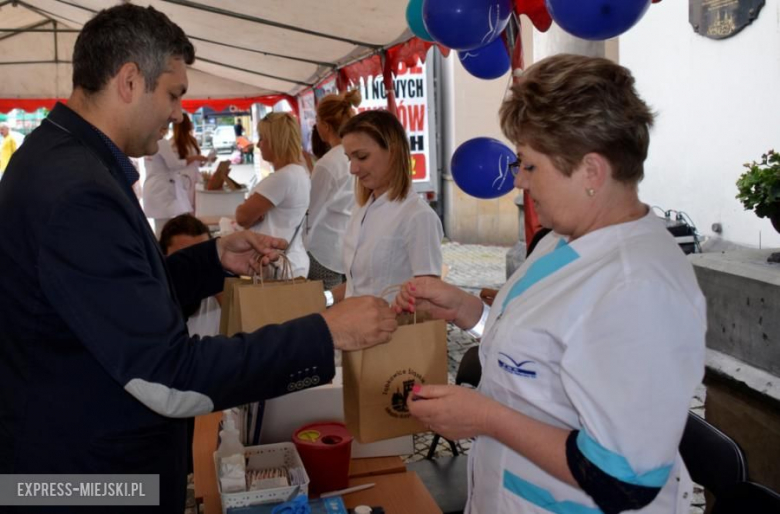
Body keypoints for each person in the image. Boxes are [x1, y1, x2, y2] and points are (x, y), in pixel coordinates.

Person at [0, 5, 396, 513]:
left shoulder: (64, 159)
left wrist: (209, 261)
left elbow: (108, 301)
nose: (177, 113)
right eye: (173, 94)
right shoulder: (77, 188)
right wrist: (325, 332)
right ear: (128, 81)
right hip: (82, 478)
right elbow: (166, 373)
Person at [395, 54, 706, 514]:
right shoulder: (564, 238)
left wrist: (482, 416)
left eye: (530, 165)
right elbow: (543, 356)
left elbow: (624, 480)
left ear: (591, 172)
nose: (518, 180)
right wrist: (470, 312)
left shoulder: (637, 287)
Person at [330, 109, 443, 304]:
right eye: (350, 158)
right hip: (355, 328)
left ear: (393, 151)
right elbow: (357, 284)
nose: (353, 169)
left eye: (362, 157)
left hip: (392, 332)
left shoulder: (417, 216)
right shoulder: (362, 208)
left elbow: (428, 298)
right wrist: (322, 299)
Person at [235, 112, 310, 278]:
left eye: (262, 138)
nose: (258, 144)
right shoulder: (298, 172)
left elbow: (242, 217)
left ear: (275, 140)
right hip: (289, 261)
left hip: (278, 265)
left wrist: (245, 208)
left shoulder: (283, 177)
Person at [304, 90, 361, 290]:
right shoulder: (357, 155)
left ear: (326, 126)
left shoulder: (328, 163)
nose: (315, 125)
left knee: (326, 312)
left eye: (317, 120)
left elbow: (311, 210)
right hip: (350, 247)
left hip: (325, 252)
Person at [159, 214, 222, 337]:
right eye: (184, 258)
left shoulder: (218, 296)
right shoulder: (153, 300)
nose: (194, 267)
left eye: (202, 255)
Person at [142, 120, 204, 236]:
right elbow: (174, 165)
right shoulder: (162, 142)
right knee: (166, 230)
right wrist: (194, 158)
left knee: (160, 228)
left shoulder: (147, 142)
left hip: (152, 187)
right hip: (163, 189)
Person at [172, 112, 206, 210]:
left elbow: (198, 163)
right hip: (184, 179)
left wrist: (204, 160)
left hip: (196, 178)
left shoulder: (192, 140)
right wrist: (195, 158)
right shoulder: (173, 143)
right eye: (189, 122)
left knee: (197, 207)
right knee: (186, 207)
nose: (191, 124)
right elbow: (176, 164)